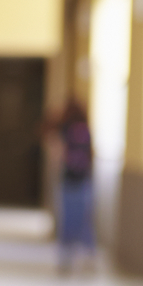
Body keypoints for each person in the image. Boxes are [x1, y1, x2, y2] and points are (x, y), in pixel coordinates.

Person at [47, 97, 97, 273]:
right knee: (84, 220)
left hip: (68, 179)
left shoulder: (65, 129)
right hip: (84, 180)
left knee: (67, 220)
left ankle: (65, 260)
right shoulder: (86, 129)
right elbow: (92, 154)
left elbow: (57, 154)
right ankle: (90, 258)